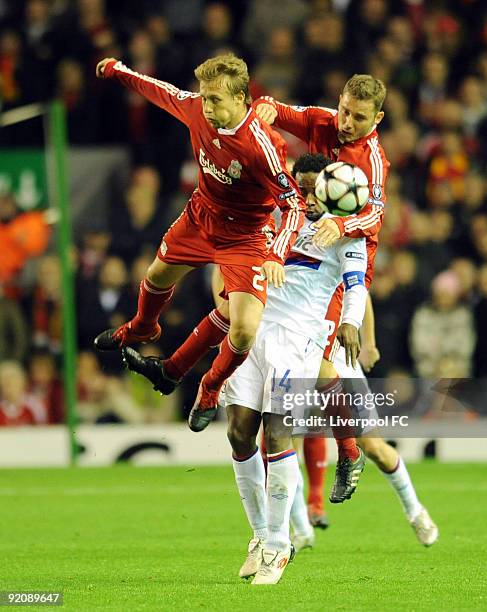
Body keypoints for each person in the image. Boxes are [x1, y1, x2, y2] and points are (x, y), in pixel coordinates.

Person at [93, 53, 306, 431]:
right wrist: (118, 71)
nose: (206, 106)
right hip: (200, 218)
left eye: (216, 99)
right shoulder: (194, 110)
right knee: (156, 278)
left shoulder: (263, 145)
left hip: (246, 237)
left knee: (243, 328)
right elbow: (157, 91)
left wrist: (276, 254)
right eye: (205, 97)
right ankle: (143, 327)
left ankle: (210, 387)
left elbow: (293, 204)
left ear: (241, 99)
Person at [217, 153, 367, 584]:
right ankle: (261, 536)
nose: (304, 194)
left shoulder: (346, 235)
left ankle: (281, 547)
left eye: (311, 187)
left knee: (278, 432)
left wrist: (351, 323)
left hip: (297, 340)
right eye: (298, 186)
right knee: (239, 432)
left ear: (328, 187)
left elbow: (356, 286)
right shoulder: (281, 214)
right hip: (255, 328)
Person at [316, 291, 439, 546]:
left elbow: (360, 291)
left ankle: (415, 511)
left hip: (339, 360)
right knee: (280, 440)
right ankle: (281, 534)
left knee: (373, 447)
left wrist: (369, 343)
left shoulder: (332, 255)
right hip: (296, 356)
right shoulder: (280, 257)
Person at [253, 73, 390, 288]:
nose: (347, 123)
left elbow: (374, 216)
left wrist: (340, 225)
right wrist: (265, 105)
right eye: (345, 112)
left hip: (345, 247)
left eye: (359, 118)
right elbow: (273, 107)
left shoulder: (373, 160)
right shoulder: (322, 120)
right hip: (309, 230)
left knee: (346, 314)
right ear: (340, 100)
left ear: (378, 118)